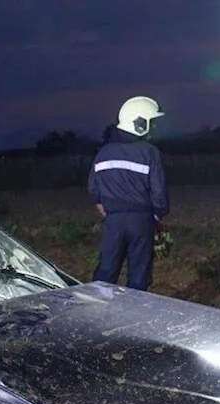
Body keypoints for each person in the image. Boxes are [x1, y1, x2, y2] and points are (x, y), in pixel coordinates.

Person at [87, 96, 169, 292]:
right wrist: (157, 217)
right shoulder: (150, 152)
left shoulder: (103, 153)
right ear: (139, 123)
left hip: (113, 221)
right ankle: (133, 315)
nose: (154, 128)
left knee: (105, 272)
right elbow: (159, 194)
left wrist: (112, 215)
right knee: (139, 275)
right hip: (142, 221)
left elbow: (94, 191)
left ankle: (97, 314)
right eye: (151, 122)